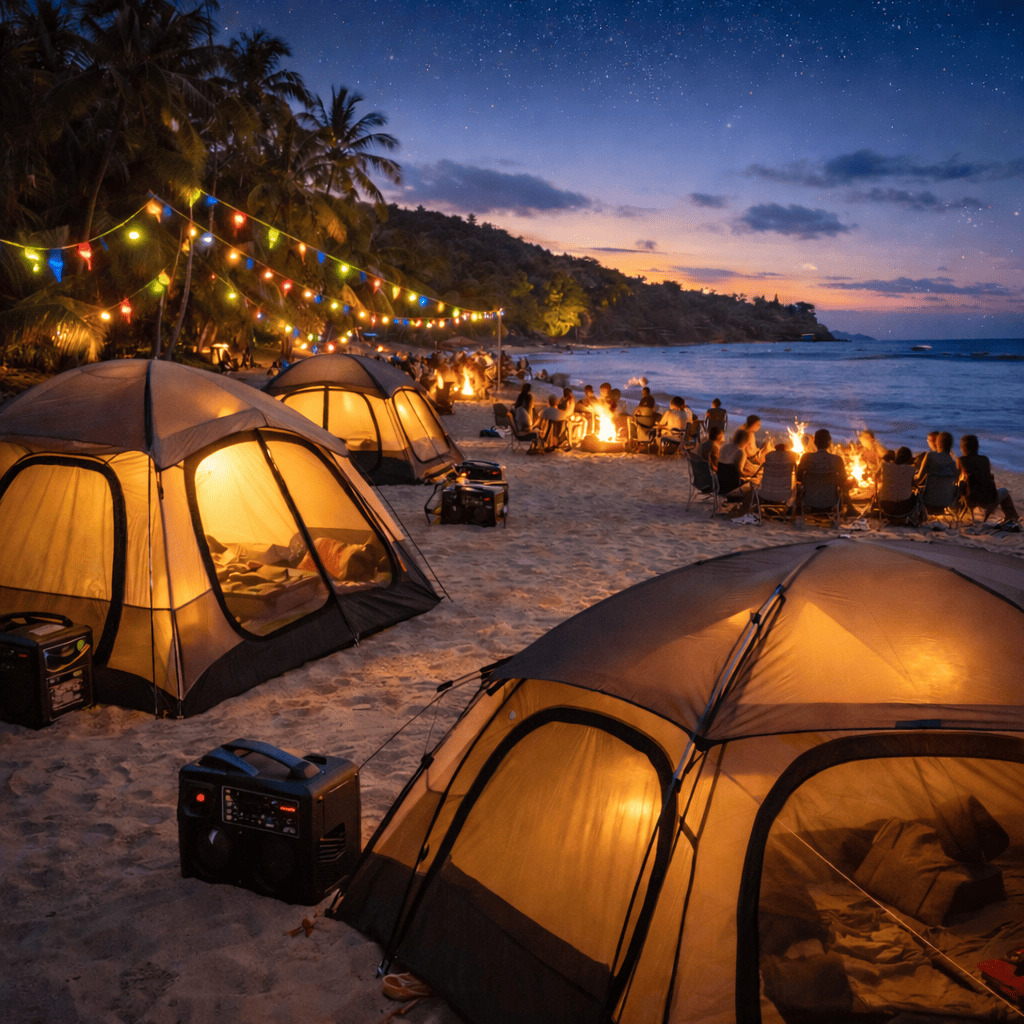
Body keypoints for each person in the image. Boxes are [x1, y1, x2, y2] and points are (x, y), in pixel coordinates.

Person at [957, 434, 1021, 527]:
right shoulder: (984, 460)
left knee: (960, 485)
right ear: (976, 447)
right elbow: (987, 478)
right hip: (988, 500)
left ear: (963, 448)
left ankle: (959, 513)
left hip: (970, 501)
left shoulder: (961, 460)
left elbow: (957, 477)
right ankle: (1012, 516)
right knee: (1004, 491)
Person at [797, 428, 852, 514]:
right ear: (829, 443)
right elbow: (843, 480)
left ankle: (796, 508)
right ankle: (848, 508)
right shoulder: (837, 460)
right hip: (830, 501)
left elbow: (798, 477)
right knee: (849, 482)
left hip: (810, 500)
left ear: (815, 442)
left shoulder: (806, 457)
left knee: (798, 486)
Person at [915, 431, 959, 513]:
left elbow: (919, 478)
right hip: (946, 501)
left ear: (938, 443)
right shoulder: (953, 463)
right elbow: (956, 481)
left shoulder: (930, 456)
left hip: (929, 499)